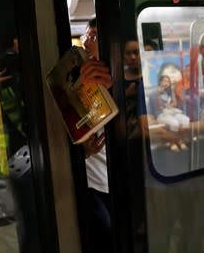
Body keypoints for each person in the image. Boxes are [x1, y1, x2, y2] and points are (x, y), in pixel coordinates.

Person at [79, 18, 113, 253]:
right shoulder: (79, 77)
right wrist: (83, 151)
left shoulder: (119, 75)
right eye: (88, 36)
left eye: (96, 37)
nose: (90, 42)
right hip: (93, 178)